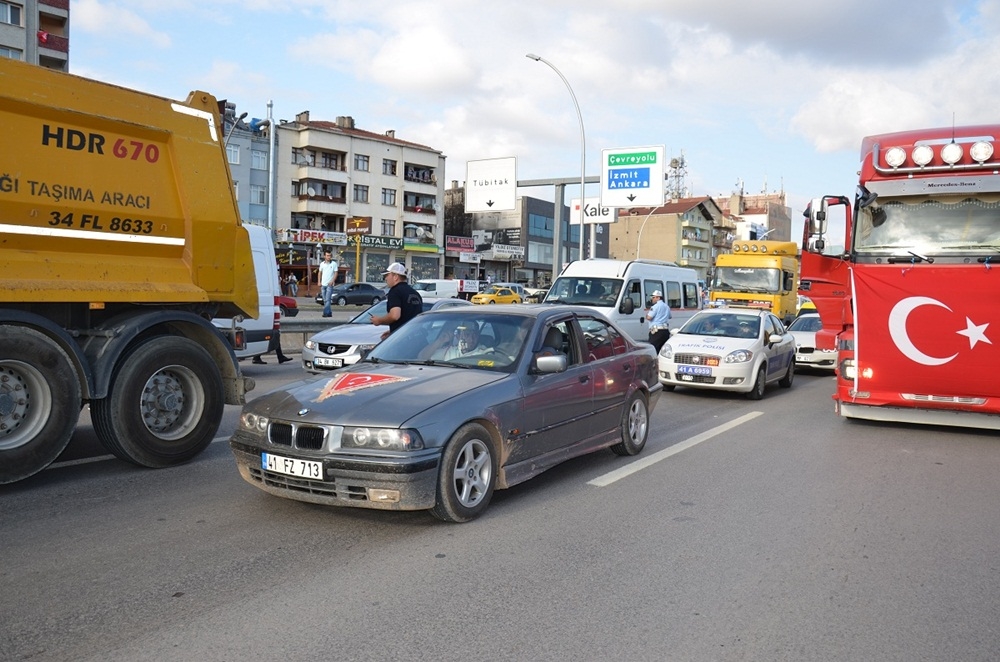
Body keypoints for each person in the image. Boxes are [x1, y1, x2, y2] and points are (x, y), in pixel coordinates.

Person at [369, 262, 423, 339]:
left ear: (395, 277)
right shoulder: (415, 293)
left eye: (387, 275)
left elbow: (395, 316)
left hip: (403, 339)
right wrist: (393, 331)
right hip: (418, 336)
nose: (385, 278)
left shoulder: (395, 292)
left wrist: (379, 320)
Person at [318, 251, 338, 317]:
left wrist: (332, 281)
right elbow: (320, 273)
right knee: (325, 300)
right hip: (323, 285)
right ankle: (329, 313)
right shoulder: (322, 264)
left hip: (330, 285)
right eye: (327, 255)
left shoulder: (334, 264)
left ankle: (325, 313)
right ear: (324, 256)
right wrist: (319, 281)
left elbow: (336, 273)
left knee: (328, 300)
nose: (329, 257)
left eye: (329, 255)